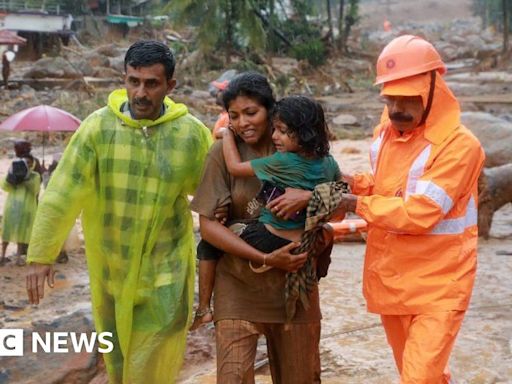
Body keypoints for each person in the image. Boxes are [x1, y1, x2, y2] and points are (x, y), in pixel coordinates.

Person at [24, 40, 212, 384]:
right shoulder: (98, 129)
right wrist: (41, 254)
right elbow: (63, 191)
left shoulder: (190, 135)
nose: (140, 93)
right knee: (119, 365)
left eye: (151, 84)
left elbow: (218, 195)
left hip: (165, 273)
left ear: (170, 86)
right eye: (133, 81)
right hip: (111, 270)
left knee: (148, 366)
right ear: (123, 79)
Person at [333, 35, 485, 383]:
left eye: (408, 99)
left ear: (433, 90)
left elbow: (422, 211)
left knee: (418, 378)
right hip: (392, 278)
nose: (397, 108)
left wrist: (355, 203)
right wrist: (351, 182)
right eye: (391, 99)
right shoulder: (385, 133)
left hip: (440, 285)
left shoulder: (460, 147)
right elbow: (388, 187)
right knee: (421, 376)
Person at [190, 72, 329, 383]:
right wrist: (265, 257)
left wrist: (308, 197)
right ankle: (204, 308)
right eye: (234, 116)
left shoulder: (304, 151)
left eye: (251, 113)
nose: (243, 123)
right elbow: (209, 228)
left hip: (295, 290)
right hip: (238, 287)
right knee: (233, 377)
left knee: (302, 377)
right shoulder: (222, 154)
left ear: (271, 110)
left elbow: (342, 203)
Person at [1, 154, 40, 266]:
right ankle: (2, 256)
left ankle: (18, 257)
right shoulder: (15, 173)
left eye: (30, 163)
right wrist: (11, 174)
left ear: (33, 164)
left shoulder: (35, 176)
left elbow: (35, 189)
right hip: (12, 207)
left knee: (22, 233)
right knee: (7, 231)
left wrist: (24, 178)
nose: (28, 165)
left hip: (27, 209)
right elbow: (4, 186)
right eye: (25, 163)